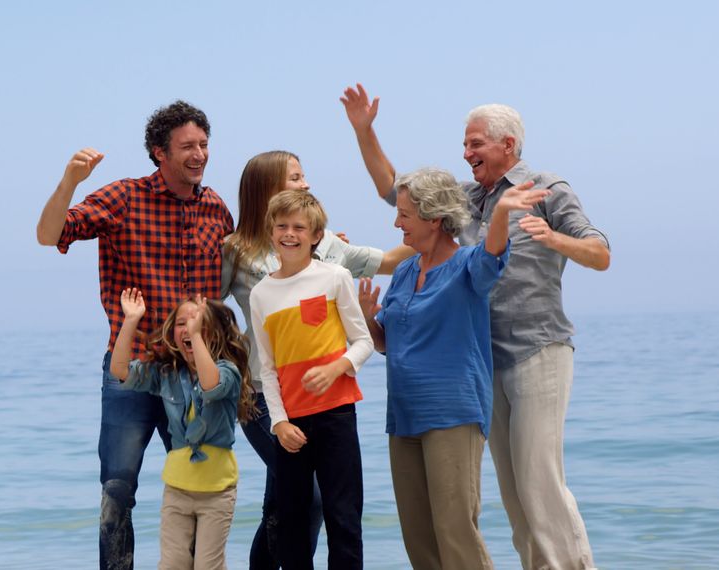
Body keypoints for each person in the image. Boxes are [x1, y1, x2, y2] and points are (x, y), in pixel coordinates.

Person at [343, 83, 611, 570]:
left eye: (475, 144)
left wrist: (552, 237)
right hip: (481, 359)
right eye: (464, 145)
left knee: (538, 479)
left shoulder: (547, 189)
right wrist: (365, 130)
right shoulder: (464, 201)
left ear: (508, 144)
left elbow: (600, 253)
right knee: (513, 491)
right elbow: (394, 189)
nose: (465, 153)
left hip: (537, 348)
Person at [35, 101, 234, 570]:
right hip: (134, 368)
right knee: (118, 487)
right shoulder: (124, 198)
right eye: (188, 146)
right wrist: (70, 182)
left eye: (204, 145)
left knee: (199, 484)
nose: (199, 154)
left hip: (192, 377)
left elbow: (245, 272)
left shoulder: (217, 208)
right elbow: (49, 235)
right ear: (158, 153)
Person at [221, 150, 410, 568]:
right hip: (263, 396)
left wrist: (433, 227)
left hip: (328, 397)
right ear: (266, 189)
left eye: (303, 177)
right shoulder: (234, 250)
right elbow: (204, 306)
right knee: (297, 499)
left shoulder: (325, 244)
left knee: (304, 501)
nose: (305, 184)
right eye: (295, 177)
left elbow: (389, 261)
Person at [359, 167, 548, 568]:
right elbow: (390, 345)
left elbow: (493, 254)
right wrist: (367, 319)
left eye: (405, 215)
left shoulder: (468, 267)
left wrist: (501, 216)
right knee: (418, 536)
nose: (397, 222)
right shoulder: (407, 270)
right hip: (403, 417)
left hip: (453, 414)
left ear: (434, 218)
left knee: (455, 529)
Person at [249, 190, 375, 569]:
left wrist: (337, 368)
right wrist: (279, 421)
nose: (290, 234)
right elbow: (267, 369)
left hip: (337, 416)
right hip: (291, 426)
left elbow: (363, 342)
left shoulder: (334, 277)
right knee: (291, 522)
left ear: (316, 235)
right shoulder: (261, 294)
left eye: (299, 227)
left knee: (343, 519)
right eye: (282, 226)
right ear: (271, 232)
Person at [109, 291, 255, 569]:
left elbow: (211, 386)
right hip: (177, 490)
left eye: (197, 321)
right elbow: (120, 371)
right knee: (173, 563)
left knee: (207, 566)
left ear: (214, 332)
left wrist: (196, 335)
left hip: (218, 492)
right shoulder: (167, 373)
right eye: (181, 323)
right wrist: (130, 321)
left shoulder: (229, 371)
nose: (188, 327)